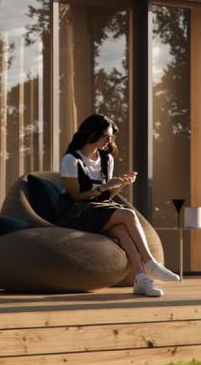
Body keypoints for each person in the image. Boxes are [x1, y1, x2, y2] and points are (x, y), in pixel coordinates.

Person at [57, 114, 183, 297]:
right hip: (76, 214)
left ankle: (141, 280)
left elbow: (107, 196)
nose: (109, 141)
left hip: (98, 209)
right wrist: (104, 187)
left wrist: (120, 184)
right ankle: (151, 263)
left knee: (122, 231)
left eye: (111, 137)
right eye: (105, 136)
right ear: (91, 134)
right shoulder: (72, 160)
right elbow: (76, 196)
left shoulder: (107, 159)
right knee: (128, 215)